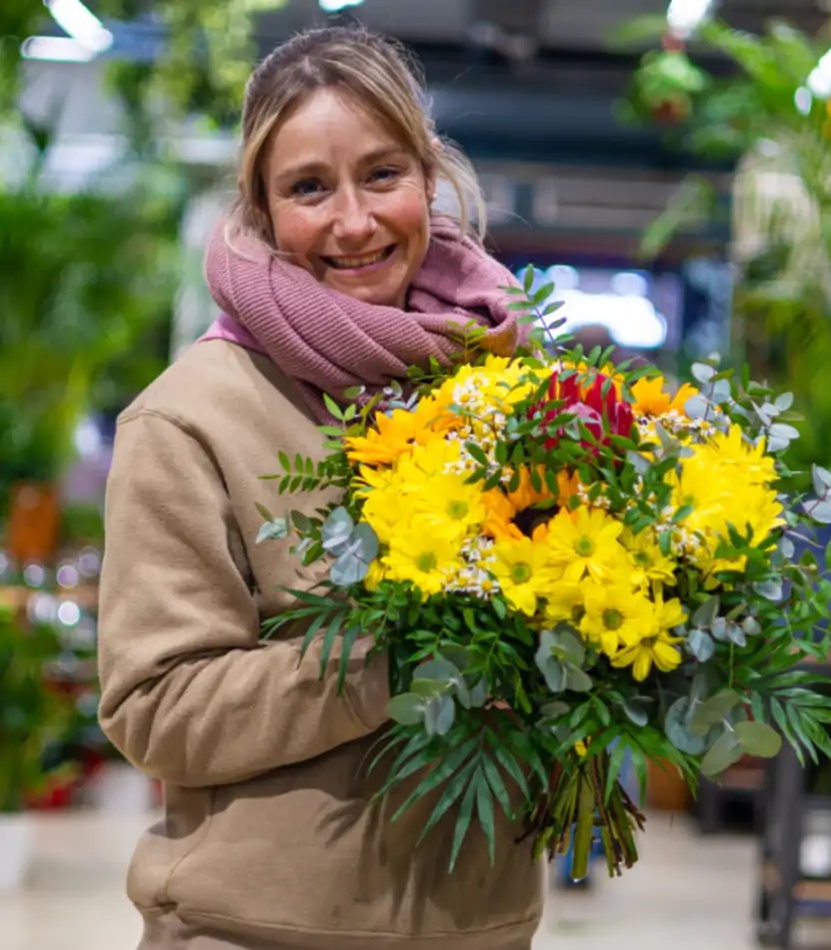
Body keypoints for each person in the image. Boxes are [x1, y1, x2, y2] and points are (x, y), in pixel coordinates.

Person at [97, 26, 543, 950]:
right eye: (309, 187)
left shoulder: (502, 386)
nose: (354, 220)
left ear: (430, 178)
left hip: (481, 929)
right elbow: (156, 707)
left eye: (382, 174)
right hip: (255, 933)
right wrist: (397, 665)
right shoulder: (189, 420)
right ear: (259, 210)